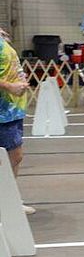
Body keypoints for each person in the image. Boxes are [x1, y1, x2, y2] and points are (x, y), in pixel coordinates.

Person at [0, 27, 35, 215]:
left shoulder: (2, 36)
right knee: (12, 157)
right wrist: (10, 86)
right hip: (3, 111)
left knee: (13, 157)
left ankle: (9, 198)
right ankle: (7, 201)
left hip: (12, 109)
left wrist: (19, 79)